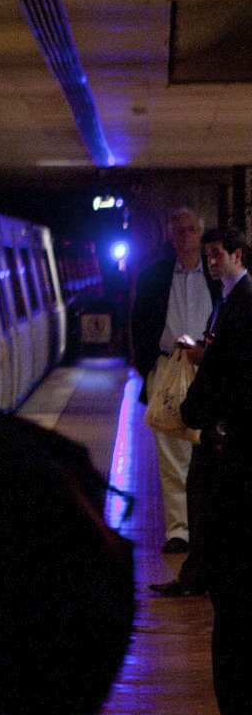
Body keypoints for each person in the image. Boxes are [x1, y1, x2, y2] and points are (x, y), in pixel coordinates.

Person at [179, 226, 252, 715]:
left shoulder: (239, 311)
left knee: (235, 630)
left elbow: (201, 402)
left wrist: (198, 401)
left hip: (240, 486)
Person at [130, 208, 219, 555]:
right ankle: (179, 530)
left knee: (211, 447)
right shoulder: (153, 276)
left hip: (209, 367)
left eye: (191, 229)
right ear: (171, 237)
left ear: (201, 233)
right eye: (179, 230)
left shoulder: (217, 274)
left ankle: (209, 526)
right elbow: (138, 325)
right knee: (171, 451)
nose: (185, 236)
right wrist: (150, 369)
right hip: (168, 367)